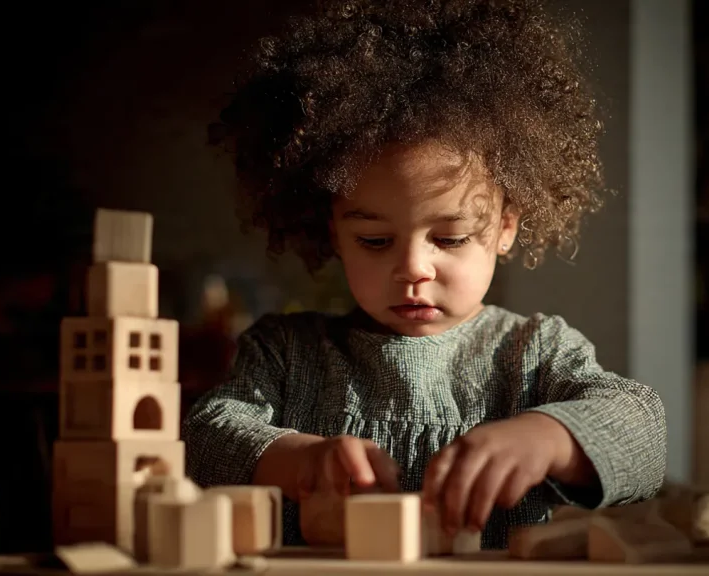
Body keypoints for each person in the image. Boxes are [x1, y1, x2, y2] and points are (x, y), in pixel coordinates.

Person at [183, 0, 667, 549]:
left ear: (506, 226)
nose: (413, 268)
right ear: (332, 230)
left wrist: (553, 437)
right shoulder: (285, 355)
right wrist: (297, 458)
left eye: (451, 238)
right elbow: (205, 436)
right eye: (374, 240)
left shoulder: (536, 353)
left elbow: (644, 434)